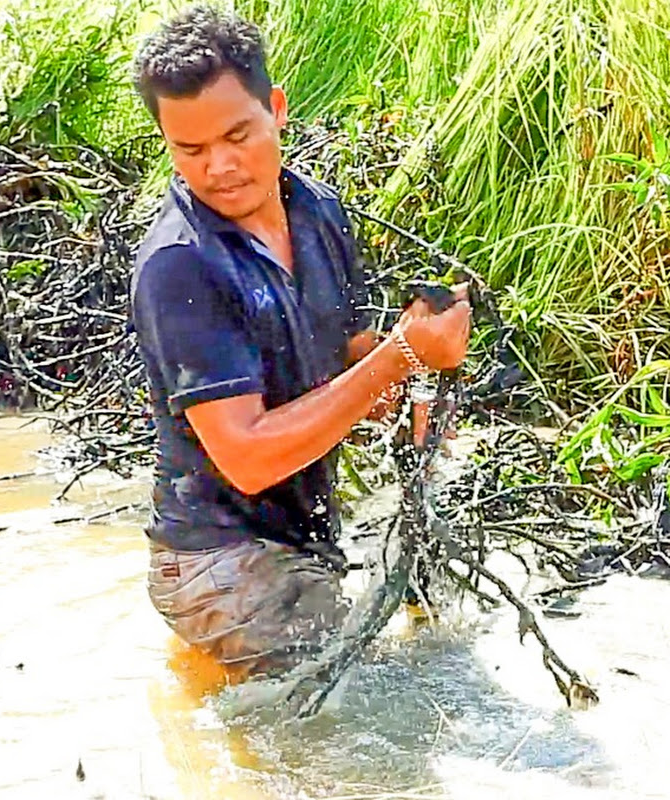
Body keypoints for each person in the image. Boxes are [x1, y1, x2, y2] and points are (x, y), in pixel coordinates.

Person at [130, 4, 470, 680]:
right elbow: (250, 458)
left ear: (276, 109)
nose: (220, 167)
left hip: (303, 536)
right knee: (353, 720)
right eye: (190, 151)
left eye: (238, 135)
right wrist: (402, 355)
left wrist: (423, 379)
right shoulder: (180, 266)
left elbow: (351, 359)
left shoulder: (317, 210)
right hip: (214, 559)